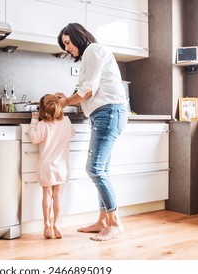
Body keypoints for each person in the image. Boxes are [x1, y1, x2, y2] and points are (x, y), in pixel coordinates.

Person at [55, 23, 129, 241]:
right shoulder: (92, 54)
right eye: (64, 45)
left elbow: (88, 90)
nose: (67, 48)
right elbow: (88, 88)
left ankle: (114, 223)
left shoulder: (93, 50)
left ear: (78, 36)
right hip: (105, 113)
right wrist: (67, 98)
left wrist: (67, 101)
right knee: (101, 169)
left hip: (109, 112)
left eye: (67, 42)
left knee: (95, 169)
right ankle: (102, 221)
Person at [29, 94, 75, 239]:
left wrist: (33, 120)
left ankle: (47, 225)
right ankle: (56, 224)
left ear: (42, 111)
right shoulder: (66, 122)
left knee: (47, 195)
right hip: (61, 167)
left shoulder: (42, 125)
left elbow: (34, 138)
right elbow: (72, 134)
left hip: (47, 167)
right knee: (58, 196)